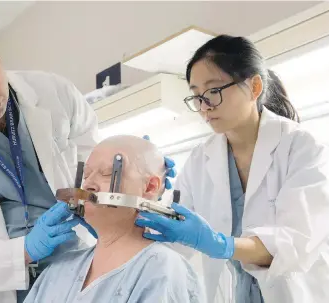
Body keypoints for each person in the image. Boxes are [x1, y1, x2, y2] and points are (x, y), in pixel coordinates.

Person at [0, 5, 176, 303]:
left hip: (75, 271)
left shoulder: (57, 94)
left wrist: (139, 171)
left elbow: (94, 170)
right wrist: (25, 250)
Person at [136, 35, 329, 303]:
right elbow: (174, 236)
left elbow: (295, 243)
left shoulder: (302, 148)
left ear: (254, 86)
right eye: (196, 96)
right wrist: (143, 194)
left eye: (213, 91)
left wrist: (219, 244)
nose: (204, 106)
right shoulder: (200, 160)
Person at [24, 135, 204, 303]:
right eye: (86, 174)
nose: (88, 185)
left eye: (108, 173)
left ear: (149, 187)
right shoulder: (59, 269)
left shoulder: (163, 270)